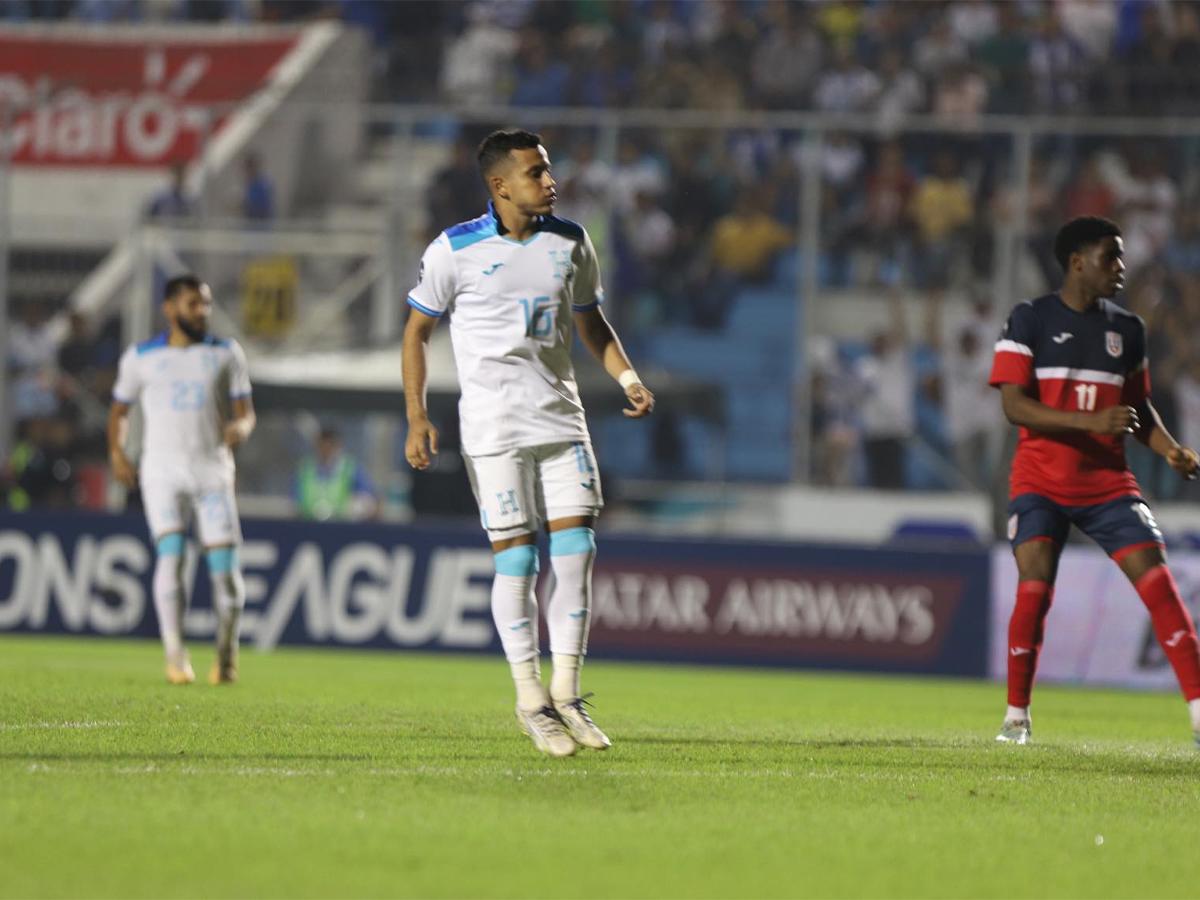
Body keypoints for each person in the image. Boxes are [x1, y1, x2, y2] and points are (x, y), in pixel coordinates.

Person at [402, 129, 655, 758]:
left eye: (548, 169)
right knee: (517, 562)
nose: (550, 180)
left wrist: (627, 376)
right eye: (536, 172)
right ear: (499, 185)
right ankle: (529, 699)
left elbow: (591, 321)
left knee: (577, 549)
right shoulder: (453, 250)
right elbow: (415, 334)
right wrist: (417, 416)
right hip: (492, 430)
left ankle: (566, 691)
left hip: (561, 419)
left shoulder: (570, 240)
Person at [989, 217, 1200, 745]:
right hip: (1040, 481)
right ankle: (1017, 717)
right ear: (1077, 262)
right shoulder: (1028, 319)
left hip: (1108, 484)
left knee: (1160, 586)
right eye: (1112, 256)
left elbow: (1137, 409)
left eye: (1123, 257)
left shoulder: (1128, 329)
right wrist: (1090, 422)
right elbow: (1015, 406)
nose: (1121, 267)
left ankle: (1199, 714)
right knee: (1034, 589)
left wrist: (1170, 448)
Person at [108, 275, 255, 687]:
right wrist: (118, 453)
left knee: (224, 572)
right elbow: (119, 413)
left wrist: (241, 428)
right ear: (169, 309)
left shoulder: (226, 353)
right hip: (162, 471)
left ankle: (226, 654)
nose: (202, 311)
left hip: (213, 471)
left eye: (205, 304)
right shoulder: (140, 357)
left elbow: (246, 411)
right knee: (172, 556)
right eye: (193, 304)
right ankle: (175, 655)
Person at [295, 426, 379, 521]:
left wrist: (359, 506)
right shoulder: (306, 468)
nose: (325, 450)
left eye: (329, 445)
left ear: (337, 446)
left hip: (341, 526)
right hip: (307, 524)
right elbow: (296, 498)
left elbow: (369, 497)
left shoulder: (350, 468)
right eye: (322, 445)